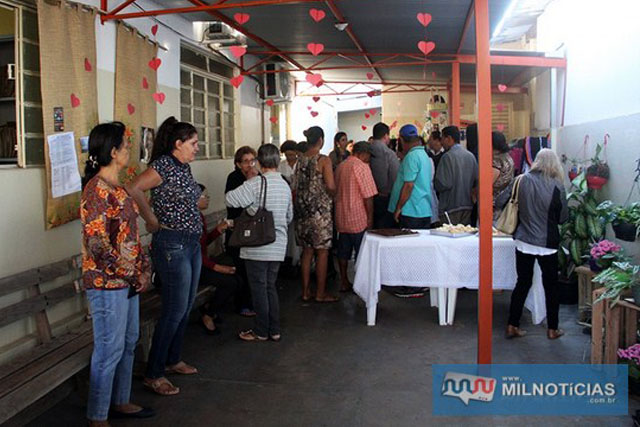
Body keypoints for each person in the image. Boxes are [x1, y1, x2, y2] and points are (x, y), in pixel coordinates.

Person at [81, 123, 154, 425]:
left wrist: (144, 268)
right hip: (106, 283)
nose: (128, 151)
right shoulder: (95, 191)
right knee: (108, 348)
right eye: (124, 147)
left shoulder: (121, 189)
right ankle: (98, 415)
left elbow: (131, 237)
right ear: (112, 152)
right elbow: (97, 244)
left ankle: (121, 400)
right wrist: (130, 274)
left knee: (128, 340)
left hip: (127, 280)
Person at [126, 117, 202, 396]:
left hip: (191, 242)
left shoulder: (184, 167)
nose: (197, 148)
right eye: (193, 143)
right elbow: (133, 188)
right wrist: (151, 219)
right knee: (174, 309)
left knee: (186, 305)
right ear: (178, 144)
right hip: (172, 244)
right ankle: (154, 373)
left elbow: (184, 198)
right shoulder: (163, 166)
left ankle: (172, 359)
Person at [225, 144, 293, 341]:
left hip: (257, 246)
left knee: (258, 288)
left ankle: (261, 331)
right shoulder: (285, 185)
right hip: (278, 244)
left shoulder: (255, 183)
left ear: (259, 162)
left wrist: (249, 183)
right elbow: (289, 216)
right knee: (270, 287)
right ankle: (275, 329)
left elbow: (230, 199)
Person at [500, 149, 568, 340]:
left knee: (522, 283)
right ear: (554, 164)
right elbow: (563, 217)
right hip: (547, 243)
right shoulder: (557, 186)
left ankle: (512, 325)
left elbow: (500, 200)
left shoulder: (520, 180)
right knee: (551, 286)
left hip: (523, 240)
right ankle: (552, 329)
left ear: (536, 162)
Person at [294, 126, 337, 302]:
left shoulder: (300, 160)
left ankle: (305, 292)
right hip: (320, 214)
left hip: (303, 213)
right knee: (322, 252)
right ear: (320, 140)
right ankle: (320, 293)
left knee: (307, 252)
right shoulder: (323, 160)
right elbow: (331, 186)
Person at [196, 183, 240, 335]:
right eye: (205, 196)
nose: (208, 199)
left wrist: (218, 230)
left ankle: (210, 309)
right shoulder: (190, 220)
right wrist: (216, 267)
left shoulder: (199, 217)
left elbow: (203, 243)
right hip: (196, 268)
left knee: (236, 277)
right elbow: (194, 253)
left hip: (203, 264)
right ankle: (208, 314)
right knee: (230, 282)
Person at [334, 141, 377, 292]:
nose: (369, 159)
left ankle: (344, 281)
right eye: (368, 156)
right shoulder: (362, 167)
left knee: (343, 252)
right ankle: (361, 284)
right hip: (358, 217)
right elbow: (368, 197)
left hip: (341, 215)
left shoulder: (341, 166)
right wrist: (370, 218)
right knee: (362, 253)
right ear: (362, 153)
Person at [225, 146, 258, 317]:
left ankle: (252, 302)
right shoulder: (234, 178)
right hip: (237, 233)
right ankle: (243, 304)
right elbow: (234, 205)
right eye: (245, 162)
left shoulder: (258, 178)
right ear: (238, 164)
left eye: (252, 160)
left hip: (254, 233)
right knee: (242, 270)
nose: (249, 165)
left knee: (252, 269)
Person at [388, 124, 433, 230]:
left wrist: (398, 208)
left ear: (402, 140)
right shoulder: (424, 155)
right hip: (423, 210)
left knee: (408, 245)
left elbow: (409, 185)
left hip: (411, 211)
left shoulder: (411, 157)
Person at [435, 125, 478, 225]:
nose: (441, 142)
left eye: (442, 138)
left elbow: (444, 183)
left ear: (449, 138)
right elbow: (476, 179)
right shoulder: (470, 156)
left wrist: (435, 183)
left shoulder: (447, 157)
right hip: (467, 206)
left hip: (450, 207)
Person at [369, 122, 400, 229]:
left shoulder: (366, 151)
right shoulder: (389, 154)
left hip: (368, 197)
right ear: (386, 136)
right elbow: (395, 177)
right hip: (386, 198)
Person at [492, 131, 515, 221]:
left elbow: (487, 183)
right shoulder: (508, 157)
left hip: (494, 204)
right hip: (505, 201)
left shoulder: (496, 161)